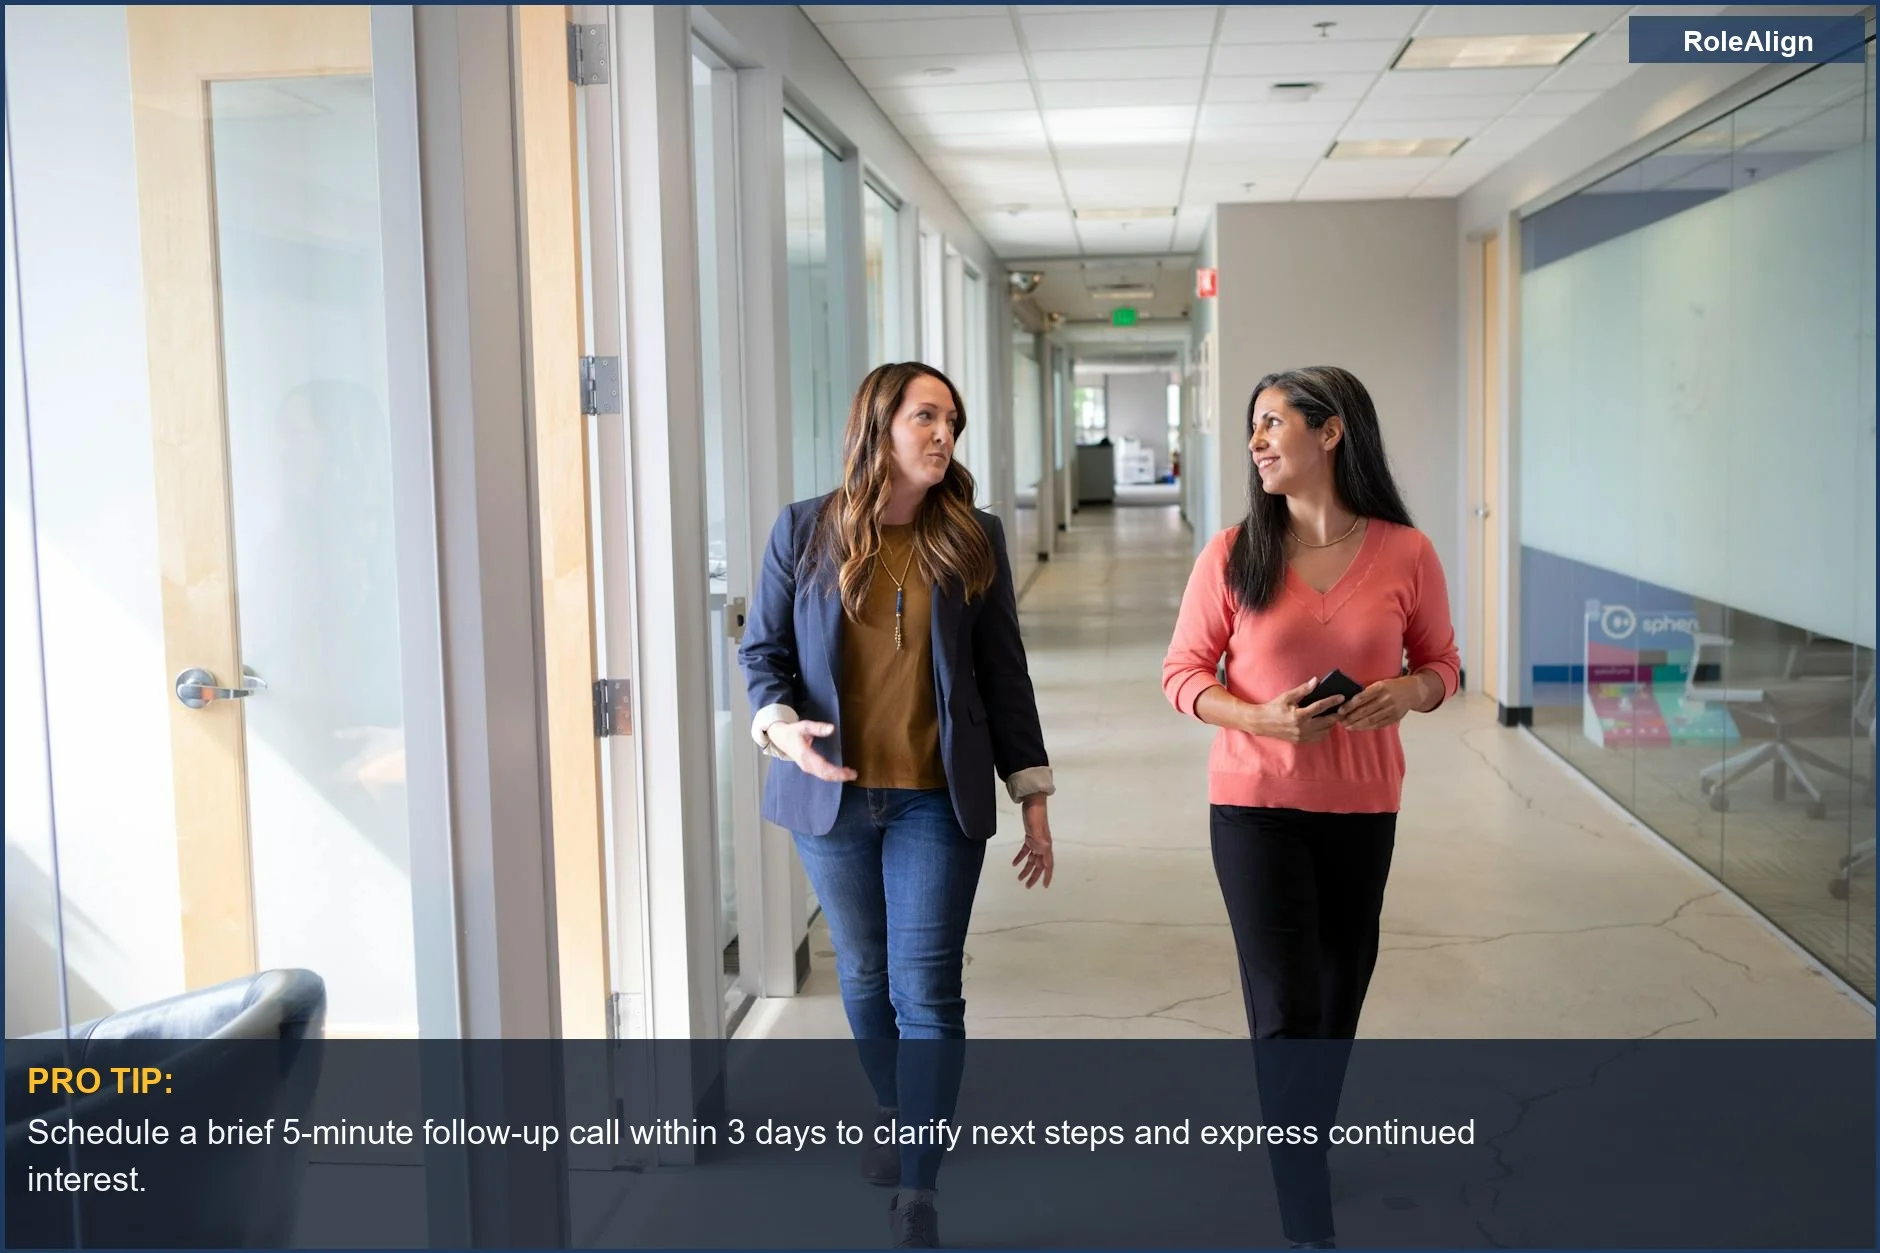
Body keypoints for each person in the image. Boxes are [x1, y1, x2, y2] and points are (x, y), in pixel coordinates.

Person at [739, 361, 1057, 1250]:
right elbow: (763, 652)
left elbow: (1004, 677)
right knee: (865, 976)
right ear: (878, 422)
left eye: (950, 419)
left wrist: (1031, 793)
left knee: (928, 989)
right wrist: (779, 728)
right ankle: (894, 1102)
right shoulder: (804, 531)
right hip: (832, 797)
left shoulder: (972, 537)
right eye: (924, 415)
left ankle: (919, 1184)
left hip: (932, 800)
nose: (941, 432)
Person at [1161, 366, 1459, 1250]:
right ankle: (1304, 1202)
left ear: (1331, 434)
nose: (1255, 441)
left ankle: (1301, 1135)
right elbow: (1181, 674)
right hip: (1253, 805)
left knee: (1339, 987)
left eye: (1272, 424)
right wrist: (1254, 714)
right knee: (1284, 995)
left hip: (1364, 805)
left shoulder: (1406, 552)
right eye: (1253, 426)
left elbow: (1445, 665)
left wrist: (1407, 690)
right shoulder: (1230, 552)